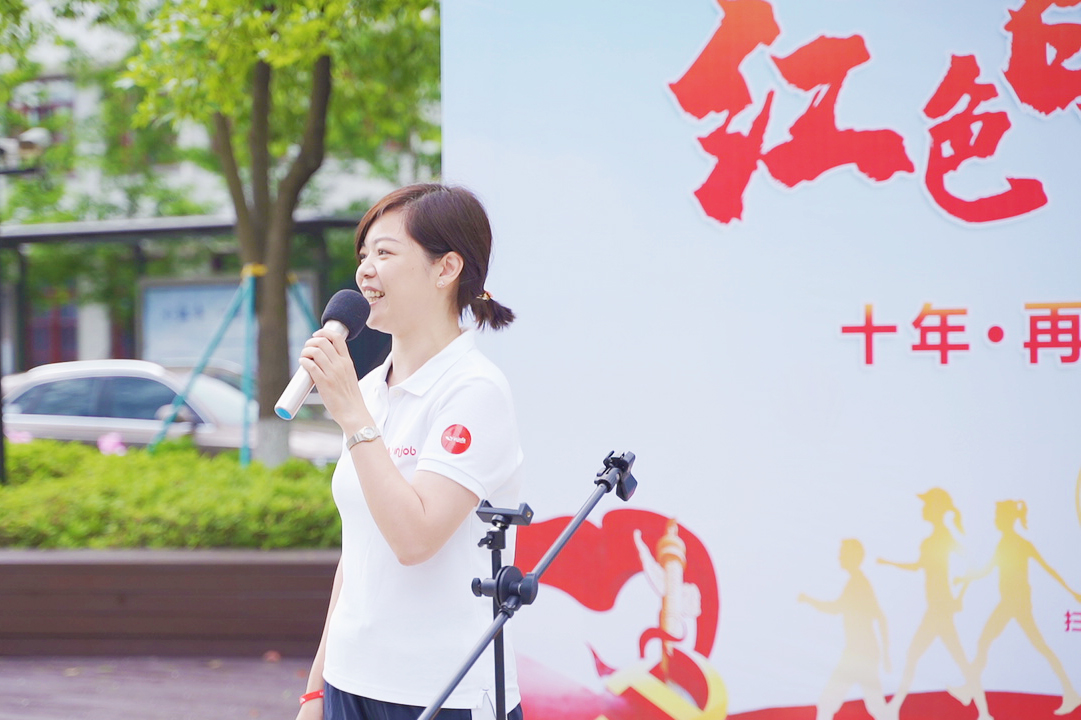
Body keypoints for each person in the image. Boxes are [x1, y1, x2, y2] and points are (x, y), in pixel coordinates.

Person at [295, 183, 525, 720]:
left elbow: (414, 539)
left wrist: (353, 416)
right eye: (363, 255)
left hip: (441, 692)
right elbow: (358, 555)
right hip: (349, 681)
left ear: (446, 269)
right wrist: (315, 690)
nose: (365, 271)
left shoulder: (474, 390)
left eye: (385, 252)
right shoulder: (370, 390)